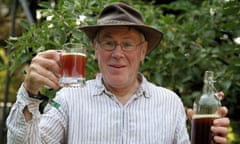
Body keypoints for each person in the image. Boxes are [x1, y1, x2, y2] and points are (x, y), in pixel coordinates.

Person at [6, 2, 230, 144]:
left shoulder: (169, 102)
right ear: (95, 49)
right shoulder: (69, 99)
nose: (117, 53)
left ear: (143, 51)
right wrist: (29, 92)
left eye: (128, 44)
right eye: (109, 43)